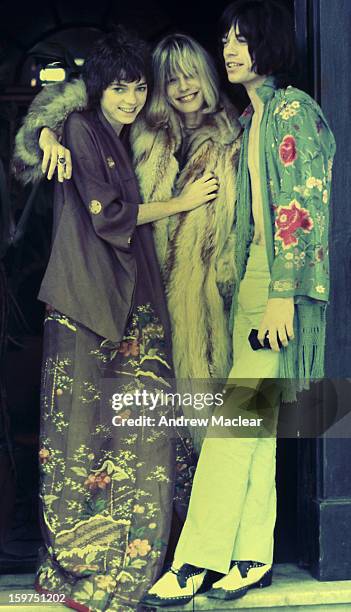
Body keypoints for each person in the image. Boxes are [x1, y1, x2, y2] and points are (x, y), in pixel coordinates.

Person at [13, 28, 219, 611]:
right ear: (98, 89)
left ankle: (130, 562)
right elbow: (111, 217)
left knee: (138, 432)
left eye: (138, 87)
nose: (130, 98)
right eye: (119, 87)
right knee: (85, 434)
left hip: (125, 305)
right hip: (86, 304)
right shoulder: (80, 128)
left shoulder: (118, 135)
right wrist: (183, 202)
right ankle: (86, 565)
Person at [140, 0, 336, 606]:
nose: (228, 50)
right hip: (253, 288)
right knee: (254, 427)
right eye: (224, 39)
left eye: (242, 39)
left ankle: (195, 560)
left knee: (233, 426)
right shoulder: (253, 121)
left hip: (276, 292)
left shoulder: (292, 112)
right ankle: (253, 554)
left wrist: (282, 296)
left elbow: (304, 206)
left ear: (269, 45)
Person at [14, 33, 242, 450]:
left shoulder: (232, 137)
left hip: (196, 295)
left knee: (199, 414)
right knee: (125, 419)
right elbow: (75, 103)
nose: (184, 87)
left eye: (191, 75)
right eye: (171, 79)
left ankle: (195, 509)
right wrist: (44, 132)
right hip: (128, 291)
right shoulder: (137, 127)